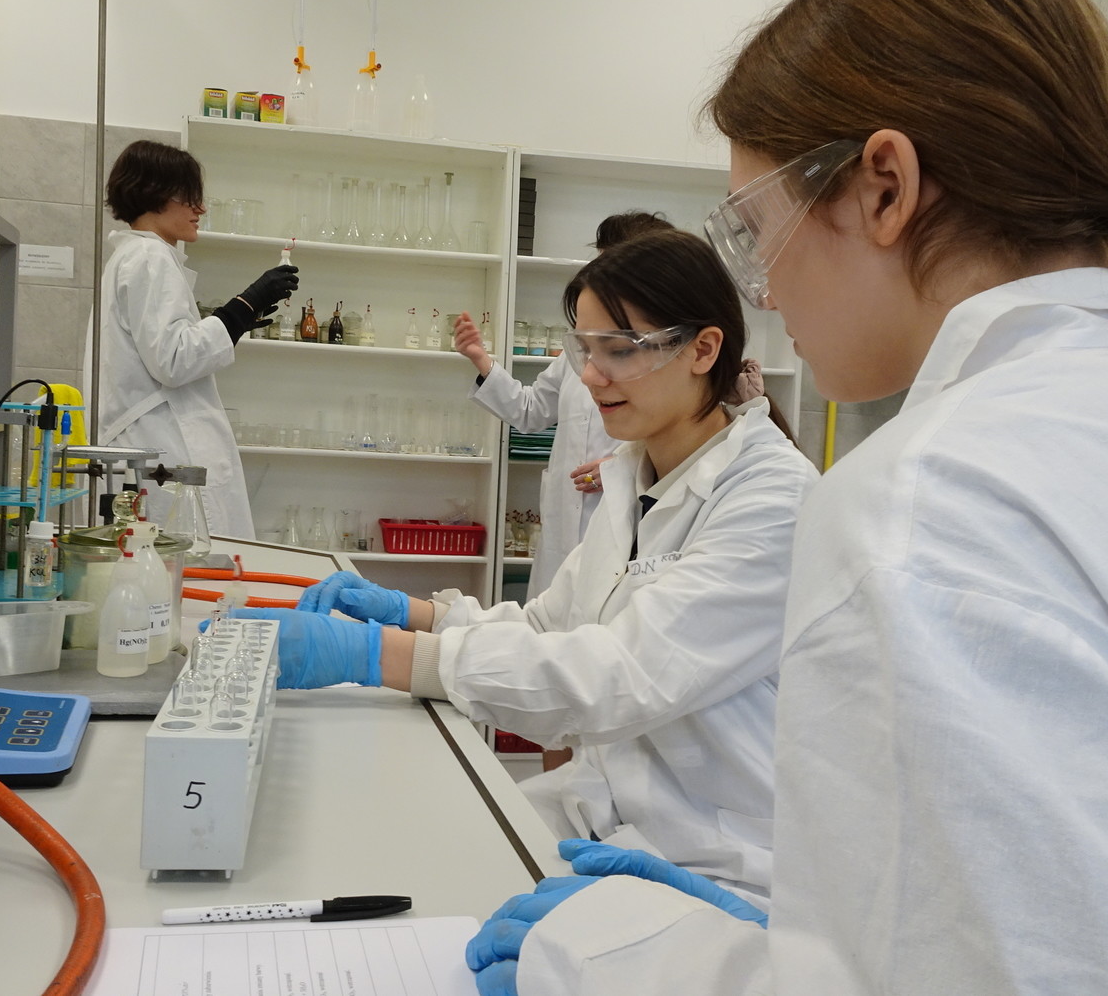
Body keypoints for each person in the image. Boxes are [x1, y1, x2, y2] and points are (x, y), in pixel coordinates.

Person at [465, 0, 1108, 993]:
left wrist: (641, 964)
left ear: (884, 187)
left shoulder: (924, 502)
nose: (762, 291)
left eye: (755, 231)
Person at [227, 229, 818, 906]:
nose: (590, 376)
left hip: (719, 863)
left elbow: (618, 675)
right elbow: (547, 627)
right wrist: (413, 613)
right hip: (607, 817)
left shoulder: (772, 496)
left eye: (619, 350)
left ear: (703, 350)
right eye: (585, 349)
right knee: (385, 856)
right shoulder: (634, 473)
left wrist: (378, 655)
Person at [452, 211, 674, 599]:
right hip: (562, 527)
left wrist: (625, 467)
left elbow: (683, 442)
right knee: (552, 614)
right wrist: (481, 360)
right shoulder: (580, 352)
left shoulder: (668, 358)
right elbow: (530, 411)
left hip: (626, 523)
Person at [92, 140, 298, 538]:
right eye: (188, 197)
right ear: (153, 194)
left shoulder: (134, 256)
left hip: (147, 444)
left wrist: (235, 322)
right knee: (185, 562)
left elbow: (162, 348)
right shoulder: (150, 258)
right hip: (160, 445)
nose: (200, 209)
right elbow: (174, 359)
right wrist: (243, 305)